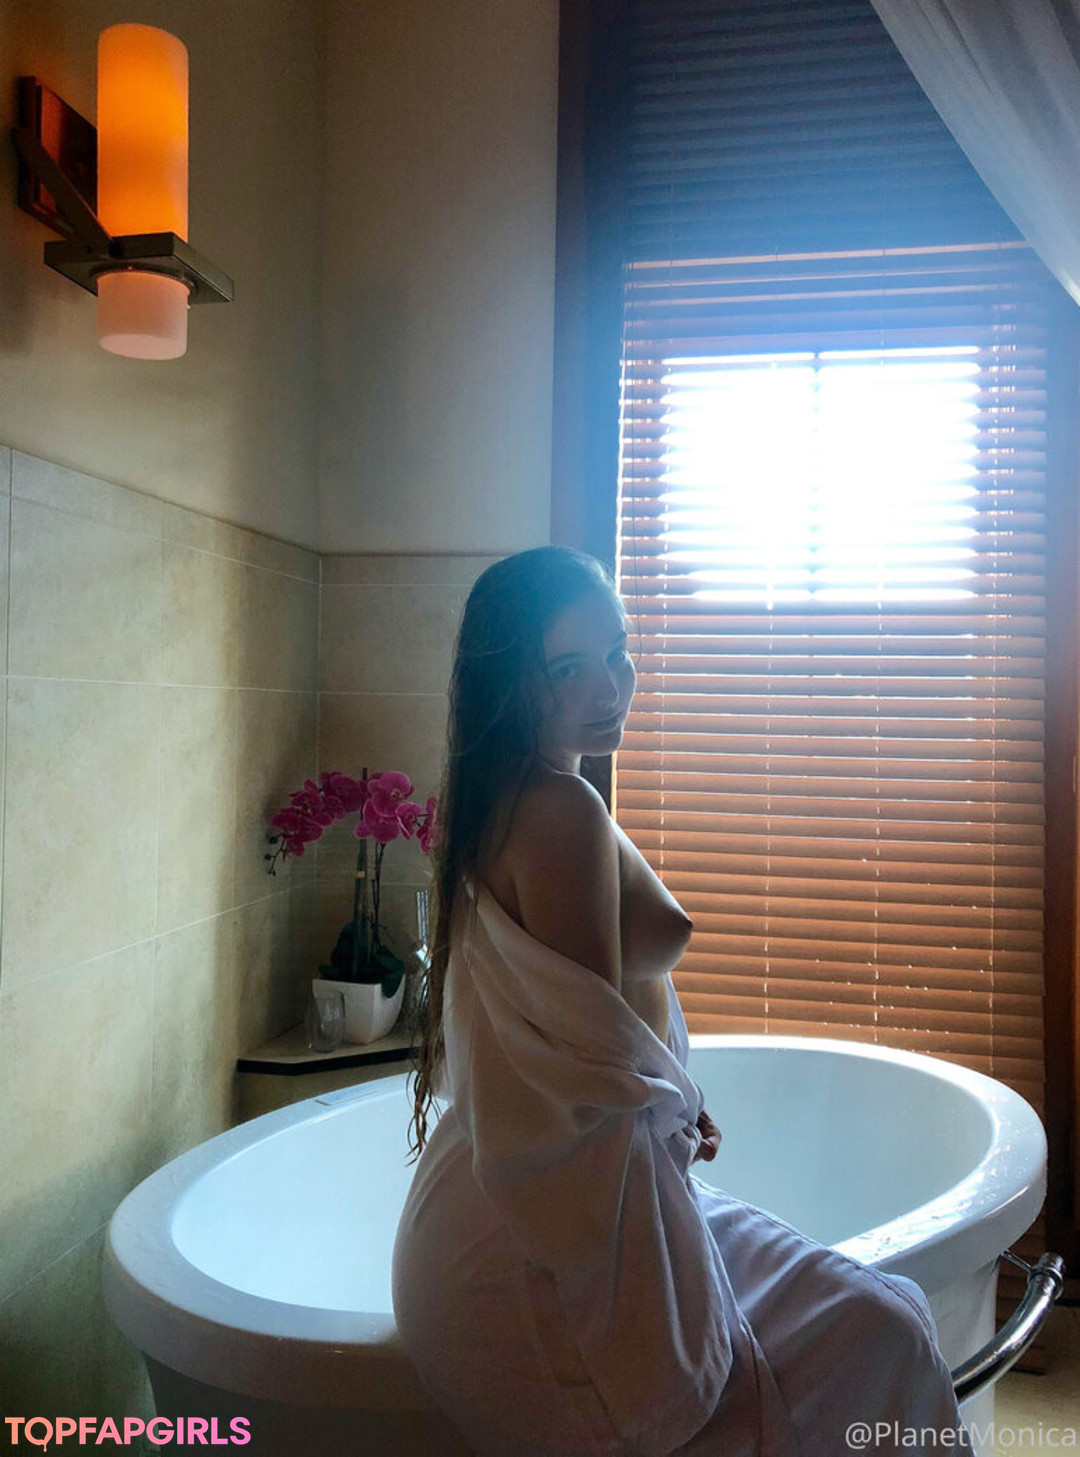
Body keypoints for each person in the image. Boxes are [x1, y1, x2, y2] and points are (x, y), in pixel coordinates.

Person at [392, 545, 973, 1456]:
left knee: (881, 1325)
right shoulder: (559, 812)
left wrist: (663, 1102)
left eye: (618, 651)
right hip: (533, 1239)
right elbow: (598, 1058)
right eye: (569, 668)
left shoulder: (519, 797)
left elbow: (627, 972)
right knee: (883, 1334)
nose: (610, 686)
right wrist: (671, 1102)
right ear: (512, 681)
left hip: (513, 1189)